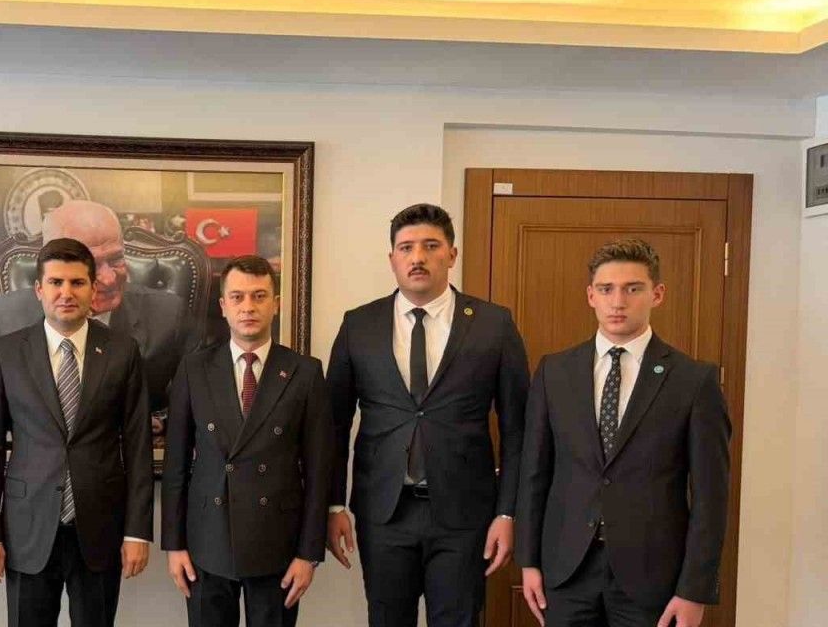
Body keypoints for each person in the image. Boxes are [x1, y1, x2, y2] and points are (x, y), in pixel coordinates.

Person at [325, 203, 529, 627]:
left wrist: (507, 513)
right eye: (406, 247)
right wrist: (333, 504)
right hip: (385, 512)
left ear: (452, 254)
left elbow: (517, 430)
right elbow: (333, 425)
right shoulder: (359, 325)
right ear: (392, 259)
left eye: (430, 246)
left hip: (465, 514)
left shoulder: (493, 324)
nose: (417, 257)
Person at [515, 239, 730, 627]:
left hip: (653, 578)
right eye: (606, 289)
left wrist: (694, 590)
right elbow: (534, 473)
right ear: (590, 296)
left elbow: (711, 498)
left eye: (633, 289)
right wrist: (528, 561)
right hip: (566, 572)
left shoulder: (693, 381)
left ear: (657, 294)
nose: (618, 302)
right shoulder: (554, 372)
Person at [0, 237, 153, 627]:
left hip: (100, 528)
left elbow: (138, 447)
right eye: (56, 282)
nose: (66, 293)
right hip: (27, 528)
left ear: (92, 288)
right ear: (39, 289)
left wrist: (138, 532)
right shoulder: (6, 352)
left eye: (77, 282)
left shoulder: (123, 351)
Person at [161, 255, 332, 627]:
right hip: (206, 542)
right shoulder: (194, 368)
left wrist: (308, 554)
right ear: (223, 306)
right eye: (237, 297)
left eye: (259, 296)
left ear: (276, 303)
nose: (248, 307)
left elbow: (320, 471)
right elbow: (176, 465)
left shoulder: (305, 372)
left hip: (277, 545)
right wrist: (174, 545)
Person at [0, 200, 194, 422]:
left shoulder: (167, 315)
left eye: (116, 259)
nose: (109, 278)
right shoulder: (8, 317)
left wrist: (160, 421)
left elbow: (201, 396)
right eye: (91, 265)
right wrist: (25, 420)